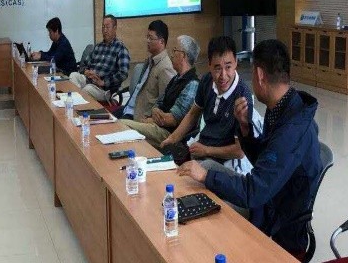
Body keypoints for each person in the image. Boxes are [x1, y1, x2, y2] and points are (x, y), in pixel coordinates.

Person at [177, 39, 322, 259]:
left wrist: (206, 176)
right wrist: (245, 128)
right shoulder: (284, 106)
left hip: (277, 225)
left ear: (260, 75)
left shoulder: (291, 129)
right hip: (268, 201)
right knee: (206, 171)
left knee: (205, 205)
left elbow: (253, 192)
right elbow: (266, 160)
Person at [161, 36, 252, 167]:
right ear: (209, 65)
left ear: (236, 63)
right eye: (217, 68)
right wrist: (172, 138)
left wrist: (206, 150)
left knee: (188, 172)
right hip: (200, 150)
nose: (223, 75)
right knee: (163, 156)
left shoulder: (242, 97)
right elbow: (193, 114)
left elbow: (239, 151)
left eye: (228, 67)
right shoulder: (207, 81)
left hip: (224, 163)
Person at [120, 35, 200, 148]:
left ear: (183, 55)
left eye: (174, 50)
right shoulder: (176, 78)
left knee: (122, 125)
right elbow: (158, 104)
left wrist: (152, 119)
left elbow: (172, 119)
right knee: (120, 124)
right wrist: (156, 112)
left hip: (168, 135)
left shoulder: (192, 84)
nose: (171, 54)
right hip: (157, 126)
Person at [116, 20, 176, 120]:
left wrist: (149, 119)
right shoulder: (150, 61)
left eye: (151, 38)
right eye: (147, 37)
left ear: (161, 41)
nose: (147, 41)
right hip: (128, 109)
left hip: (138, 117)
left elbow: (165, 103)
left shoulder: (165, 68)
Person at [69, 15, 130, 101]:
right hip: (89, 80)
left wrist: (104, 82)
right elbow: (83, 65)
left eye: (107, 27)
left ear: (115, 28)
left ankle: (76, 100)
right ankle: (77, 100)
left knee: (87, 90)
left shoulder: (121, 49)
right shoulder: (98, 47)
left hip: (104, 89)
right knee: (73, 75)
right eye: (103, 27)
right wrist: (86, 72)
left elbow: (123, 73)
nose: (105, 30)